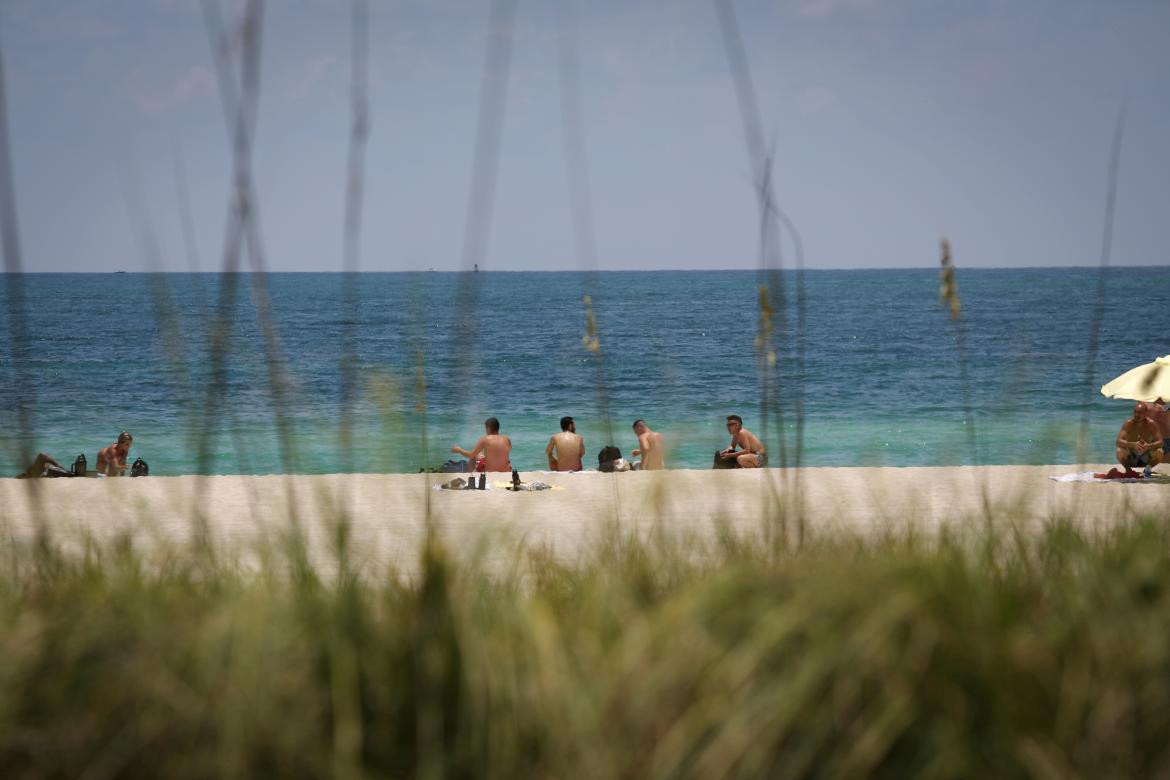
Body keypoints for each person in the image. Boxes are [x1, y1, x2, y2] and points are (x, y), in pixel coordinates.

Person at [1115, 402, 1163, 477]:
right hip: (1131, 457)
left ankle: (1147, 469)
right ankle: (1128, 470)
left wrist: (1148, 446)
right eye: (1135, 412)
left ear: (1145, 413)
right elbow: (1118, 441)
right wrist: (1132, 444)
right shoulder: (1128, 423)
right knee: (1119, 450)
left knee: (1160, 451)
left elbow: (1160, 442)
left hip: (1146, 457)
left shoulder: (1151, 424)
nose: (1136, 415)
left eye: (1140, 412)